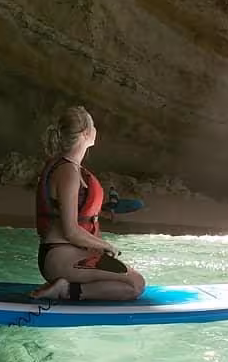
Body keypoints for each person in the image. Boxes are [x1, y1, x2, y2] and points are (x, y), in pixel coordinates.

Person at [31, 106, 146, 301]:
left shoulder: (73, 169)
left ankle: (67, 286)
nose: (96, 129)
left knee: (132, 280)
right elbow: (71, 231)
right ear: (86, 133)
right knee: (135, 285)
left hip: (72, 254)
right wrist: (106, 245)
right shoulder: (67, 172)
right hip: (60, 257)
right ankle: (66, 290)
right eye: (93, 125)